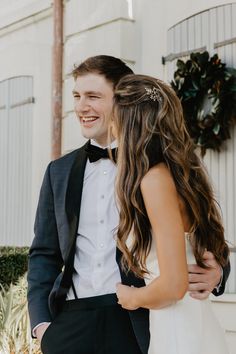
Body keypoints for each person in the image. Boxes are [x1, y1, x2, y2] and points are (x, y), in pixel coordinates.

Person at [27, 56, 230, 354]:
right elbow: (43, 253)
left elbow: (205, 234)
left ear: (123, 99)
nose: (82, 107)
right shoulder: (58, 172)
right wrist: (42, 326)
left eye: (93, 96)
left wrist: (217, 273)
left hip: (138, 320)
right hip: (71, 324)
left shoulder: (158, 171)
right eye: (77, 96)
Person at [113, 74, 230, 354]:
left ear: (131, 125)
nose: (112, 126)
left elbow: (174, 284)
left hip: (177, 326)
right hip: (195, 320)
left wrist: (132, 297)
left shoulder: (154, 180)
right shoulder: (181, 174)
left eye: (115, 118)